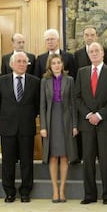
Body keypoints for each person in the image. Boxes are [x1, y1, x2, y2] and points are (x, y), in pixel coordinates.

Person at [75, 42, 107, 205]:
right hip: (87, 123)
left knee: (106, 160)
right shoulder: (81, 72)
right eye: (91, 51)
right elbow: (77, 97)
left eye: (97, 51)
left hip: (105, 122)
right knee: (87, 160)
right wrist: (88, 114)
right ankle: (90, 194)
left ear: (103, 54)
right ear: (88, 55)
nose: (94, 53)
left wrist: (100, 115)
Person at [0, 51, 40, 203]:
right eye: (19, 61)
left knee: (27, 161)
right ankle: (9, 192)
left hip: (27, 127)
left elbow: (37, 105)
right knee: (8, 162)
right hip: (8, 127)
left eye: (24, 62)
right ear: (12, 64)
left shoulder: (35, 81)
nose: (22, 64)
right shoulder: (2, 81)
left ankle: (26, 191)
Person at [39, 54, 78, 203]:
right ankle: (54, 190)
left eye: (58, 63)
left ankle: (62, 190)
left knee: (65, 156)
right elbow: (42, 105)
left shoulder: (70, 80)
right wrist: (43, 126)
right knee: (53, 156)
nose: (56, 65)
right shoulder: (44, 81)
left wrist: (75, 125)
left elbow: (73, 104)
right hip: (50, 120)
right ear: (50, 65)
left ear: (62, 65)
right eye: (53, 63)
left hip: (66, 120)